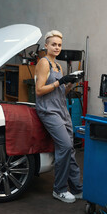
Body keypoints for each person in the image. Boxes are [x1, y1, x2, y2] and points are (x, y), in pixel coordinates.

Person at [35, 30, 83, 203]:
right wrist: (60, 82)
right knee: (64, 146)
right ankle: (60, 189)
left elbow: (61, 91)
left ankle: (77, 188)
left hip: (61, 109)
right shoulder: (44, 63)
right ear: (46, 45)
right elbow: (39, 90)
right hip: (48, 110)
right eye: (53, 44)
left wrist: (70, 83)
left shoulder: (59, 66)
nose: (56, 47)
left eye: (59, 45)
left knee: (70, 148)